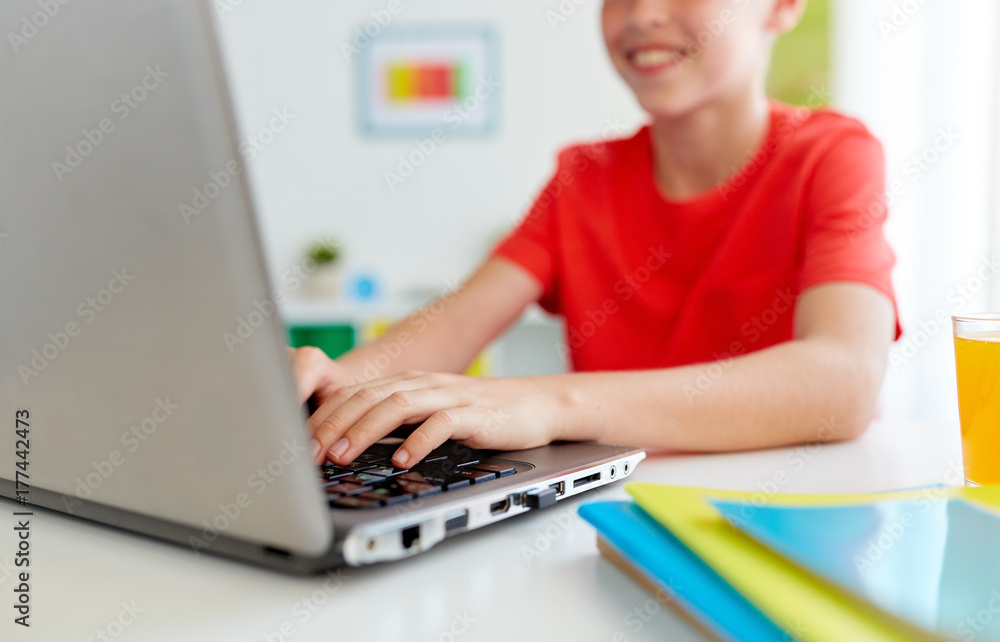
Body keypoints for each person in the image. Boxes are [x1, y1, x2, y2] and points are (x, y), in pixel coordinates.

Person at [292, 0, 899, 470]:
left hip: (788, 517)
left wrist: (549, 403)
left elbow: (843, 379)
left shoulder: (830, 156)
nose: (640, 16)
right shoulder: (583, 179)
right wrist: (338, 383)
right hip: (616, 521)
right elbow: (455, 324)